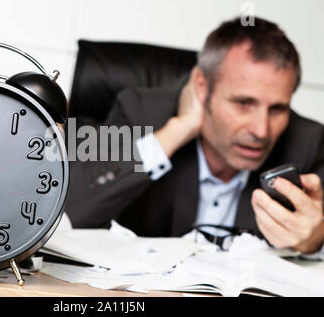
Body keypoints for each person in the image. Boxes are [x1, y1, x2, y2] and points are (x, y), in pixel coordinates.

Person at [64, 17, 324, 256]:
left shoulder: (307, 142)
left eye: (278, 108)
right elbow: (67, 211)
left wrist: (315, 240)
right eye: (244, 103)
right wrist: (177, 130)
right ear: (201, 86)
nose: (261, 131)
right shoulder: (142, 112)